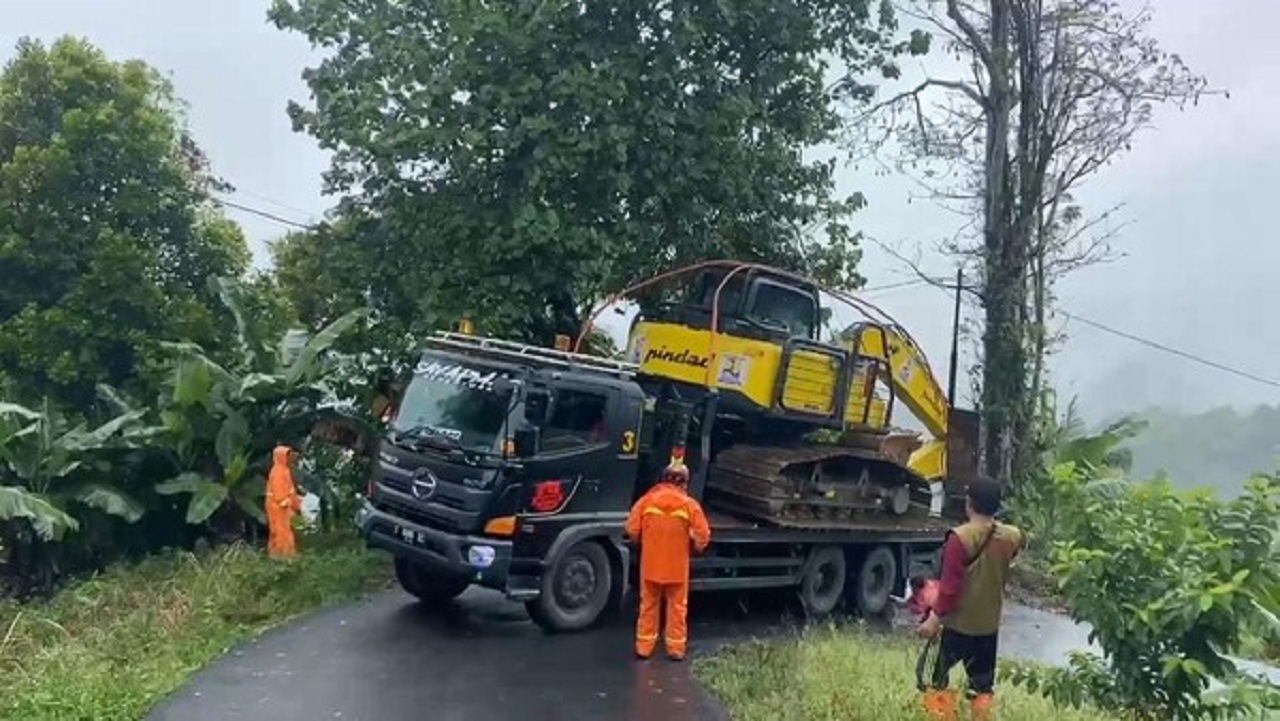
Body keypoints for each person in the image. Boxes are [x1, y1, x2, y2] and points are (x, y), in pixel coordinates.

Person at [917, 478, 1024, 721]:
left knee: (938, 679)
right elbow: (1013, 551)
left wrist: (933, 619)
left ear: (969, 503)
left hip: (958, 624)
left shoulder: (959, 538)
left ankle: (942, 718)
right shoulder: (1012, 536)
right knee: (982, 685)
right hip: (988, 625)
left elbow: (950, 589)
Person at [624, 461, 711, 661]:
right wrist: (695, 548)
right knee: (677, 608)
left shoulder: (647, 501)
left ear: (664, 479)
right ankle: (675, 650)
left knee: (648, 606)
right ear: (684, 482)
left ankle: (644, 648)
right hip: (677, 568)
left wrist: (644, 541)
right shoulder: (690, 505)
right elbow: (703, 536)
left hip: (651, 566)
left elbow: (631, 529)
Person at [265, 445, 303, 558]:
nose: (291, 458)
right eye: (288, 455)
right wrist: (287, 502)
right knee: (281, 532)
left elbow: (289, 490)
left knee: (280, 530)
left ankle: (278, 554)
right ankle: (284, 556)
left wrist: (295, 504)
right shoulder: (278, 471)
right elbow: (280, 494)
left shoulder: (283, 470)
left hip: (280, 506)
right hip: (278, 507)